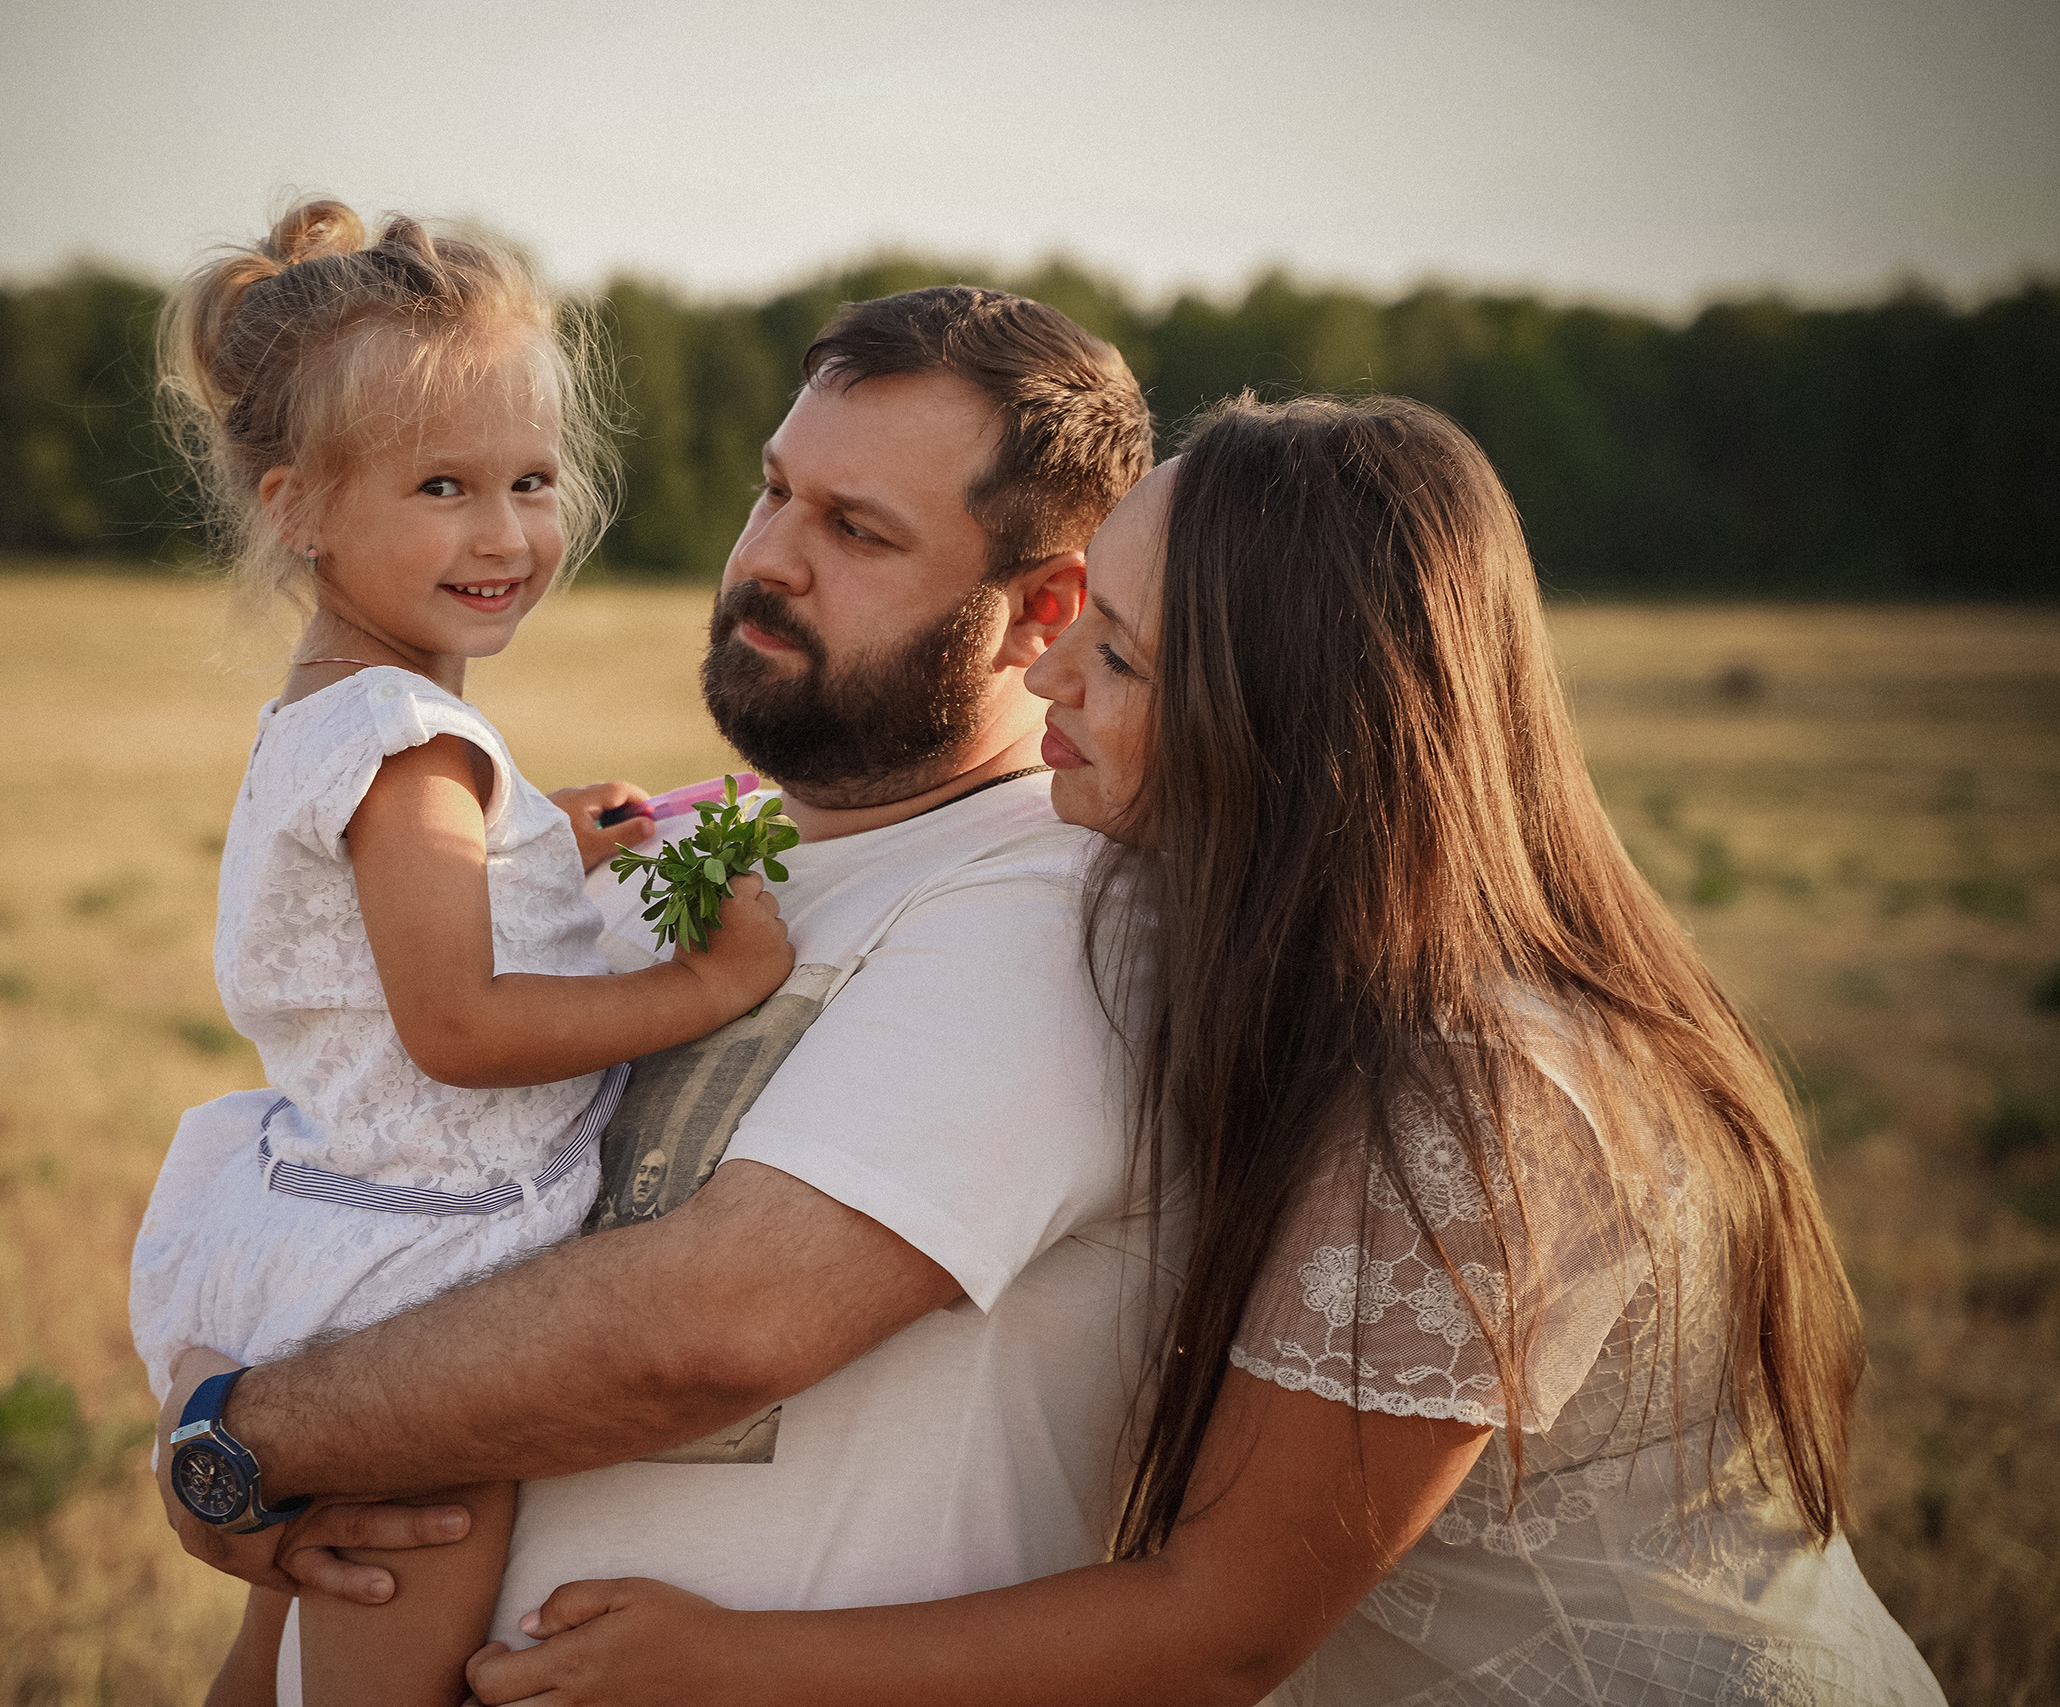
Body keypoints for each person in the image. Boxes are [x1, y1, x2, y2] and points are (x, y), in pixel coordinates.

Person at [464, 396, 1946, 1706]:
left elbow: (1220, 1631)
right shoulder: (1281, 967)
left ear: (1286, 727)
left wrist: (726, 1670)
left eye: (1110, 651)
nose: (1045, 679)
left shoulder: (1482, 1098)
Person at [149, 284, 1158, 1704]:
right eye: (774, 493)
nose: (769, 561)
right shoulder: (648, 867)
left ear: (1039, 610)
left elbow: (712, 1329)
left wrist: (245, 1429)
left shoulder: (1063, 912)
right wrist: (229, 1445)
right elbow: (377, 1205)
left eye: (856, 530)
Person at [124, 198, 796, 1707]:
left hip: (333, 1221)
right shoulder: (407, 741)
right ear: (298, 508)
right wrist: (695, 986)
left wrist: (544, 838)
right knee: (386, 1675)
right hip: (421, 1274)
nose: (504, 534)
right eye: (443, 486)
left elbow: (399, 915)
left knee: (275, 1650)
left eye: (530, 482)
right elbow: (460, 1026)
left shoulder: (350, 712)